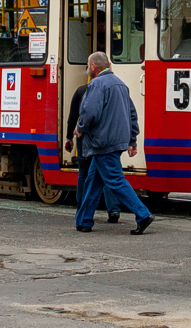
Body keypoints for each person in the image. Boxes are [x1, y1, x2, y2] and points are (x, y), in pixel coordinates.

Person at [73, 52, 154, 235]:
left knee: (116, 180)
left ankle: (143, 214)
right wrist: (132, 139)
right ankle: (84, 220)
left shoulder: (96, 84)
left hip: (103, 142)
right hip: (116, 141)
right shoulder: (121, 84)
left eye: (88, 64)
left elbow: (89, 112)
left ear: (93, 66)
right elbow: (132, 113)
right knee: (93, 181)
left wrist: (80, 128)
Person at [65, 80, 121, 223]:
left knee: (83, 172)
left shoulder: (81, 91)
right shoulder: (112, 89)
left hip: (84, 138)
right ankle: (113, 210)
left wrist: (68, 138)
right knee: (108, 173)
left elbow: (73, 116)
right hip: (104, 139)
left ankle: (81, 207)